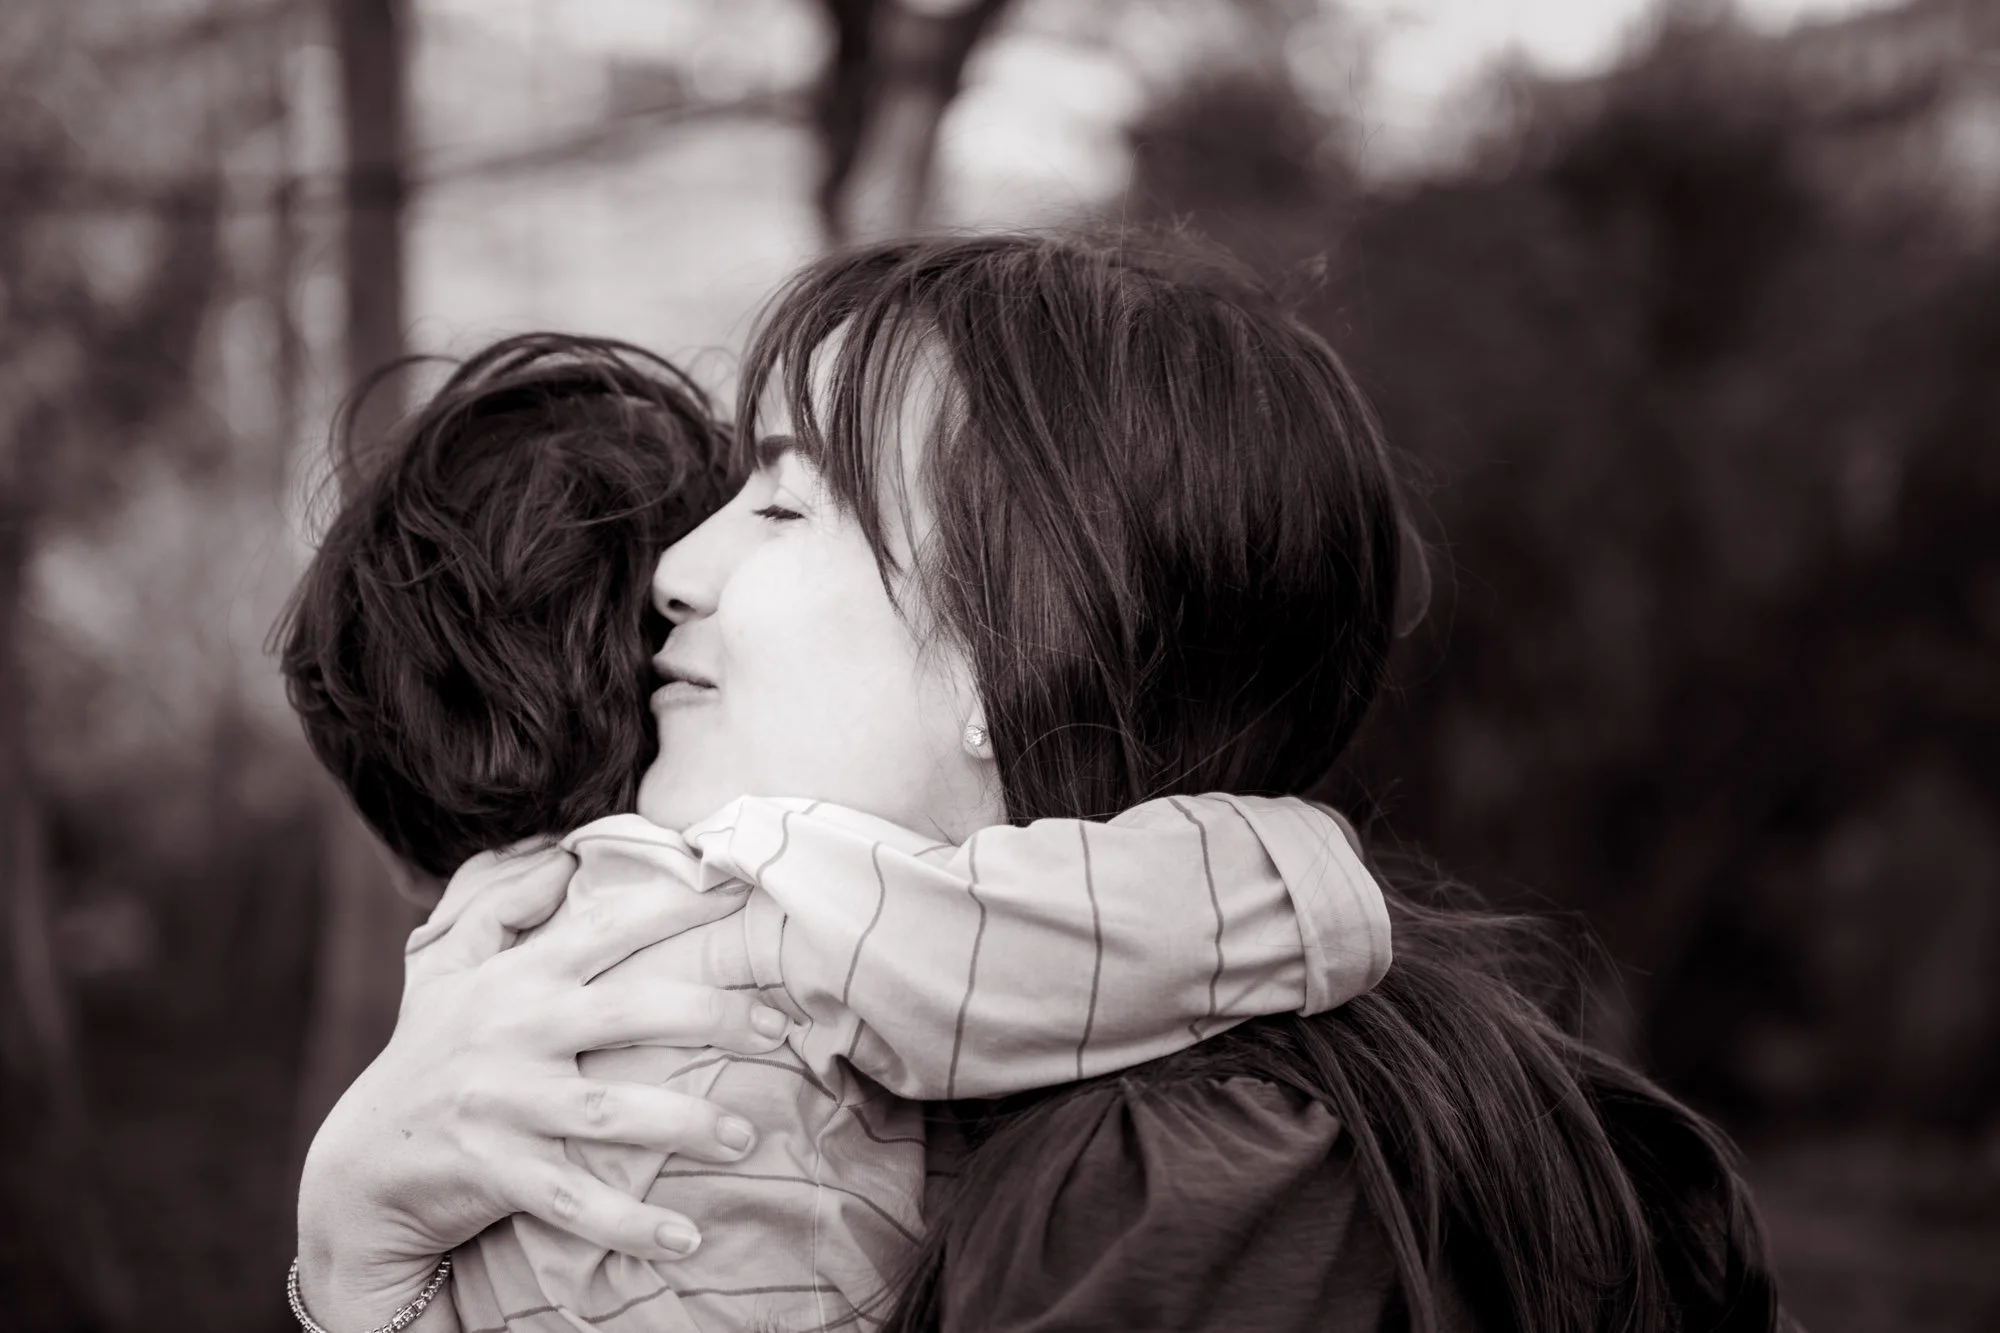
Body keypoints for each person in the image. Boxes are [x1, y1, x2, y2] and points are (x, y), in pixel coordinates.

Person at [295, 232, 1787, 1333]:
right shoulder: (990, 1098)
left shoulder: (1206, 1189)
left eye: (785, 501)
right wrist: (358, 1263)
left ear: (1011, 668)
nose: (675, 574)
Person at [279, 325, 1394, 1332]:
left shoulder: (515, 968)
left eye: (782, 507)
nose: (680, 576)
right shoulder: (776, 895)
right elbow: (1082, 939)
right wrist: (1302, 865)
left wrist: (351, 1276)